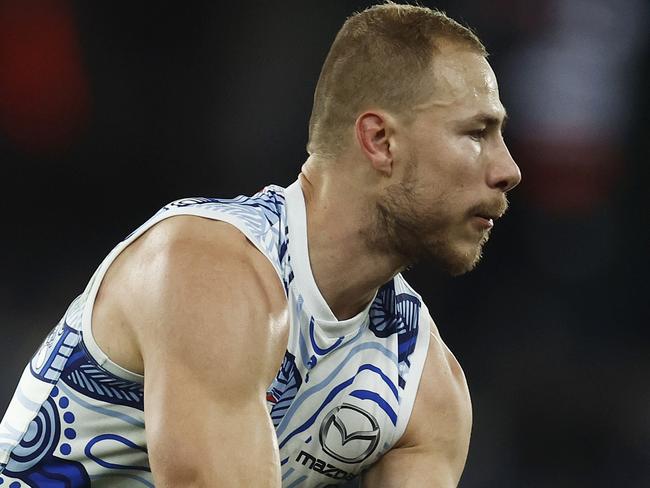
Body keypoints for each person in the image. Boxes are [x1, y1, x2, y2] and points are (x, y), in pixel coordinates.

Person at [0, 2, 520, 487]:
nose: (508, 171)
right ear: (379, 141)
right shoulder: (203, 266)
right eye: (477, 133)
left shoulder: (426, 389)